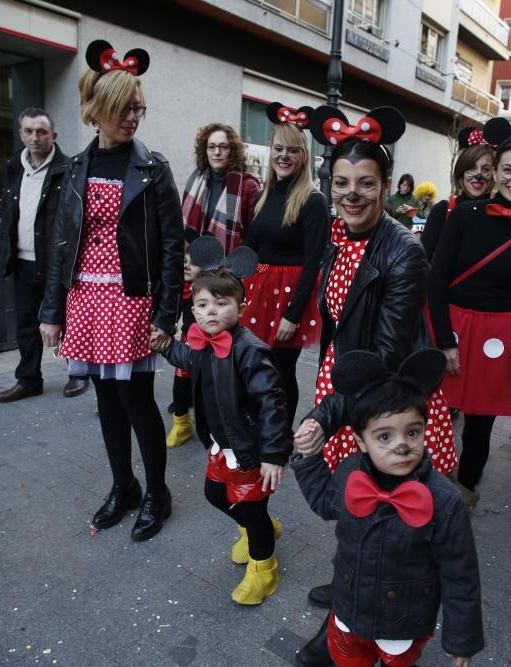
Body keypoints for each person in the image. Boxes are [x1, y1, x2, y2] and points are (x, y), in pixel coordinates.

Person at [292, 105, 457, 667]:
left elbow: (387, 355)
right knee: (356, 502)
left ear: (387, 186)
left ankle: (347, 620)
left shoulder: (403, 252)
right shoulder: (339, 236)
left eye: (366, 184)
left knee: (379, 509)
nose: (352, 194)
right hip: (345, 381)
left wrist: (327, 413)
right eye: (341, 183)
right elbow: (338, 324)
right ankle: (349, 588)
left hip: (380, 402)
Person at [38, 40, 183, 541]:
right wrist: (51, 310)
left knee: (137, 401)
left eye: (136, 108)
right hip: (86, 299)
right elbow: (63, 243)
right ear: (97, 110)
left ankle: (157, 492)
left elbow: (171, 247)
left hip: (132, 300)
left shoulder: (152, 167)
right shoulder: (75, 167)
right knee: (106, 401)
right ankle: (124, 486)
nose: (131, 118)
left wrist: (167, 316)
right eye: (123, 109)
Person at [293, 349, 484, 667]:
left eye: (413, 432)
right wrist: (309, 458)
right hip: (348, 608)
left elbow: (460, 575)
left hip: (403, 620)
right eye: (384, 436)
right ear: (361, 441)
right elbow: (326, 503)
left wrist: (461, 640)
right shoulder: (350, 472)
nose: (402, 445)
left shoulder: (444, 500)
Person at [428, 116, 511, 504]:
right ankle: (426, 487)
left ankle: (463, 494)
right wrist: (445, 340)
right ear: (496, 171)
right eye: (509, 169)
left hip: (498, 335)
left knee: (480, 425)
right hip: (451, 323)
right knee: (434, 412)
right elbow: (435, 280)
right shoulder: (465, 216)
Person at [158, 238, 289, 605]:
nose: (210, 311)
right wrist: (166, 345)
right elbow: (187, 356)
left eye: (221, 303)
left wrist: (273, 453)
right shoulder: (203, 341)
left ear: (240, 307)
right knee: (215, 493)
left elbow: (272, 403)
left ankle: (264, 568)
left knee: (251, 506)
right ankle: (259, 527)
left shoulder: (250, 351)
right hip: (222, 442)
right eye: (202, 304)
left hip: (248, 448)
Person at [242, 103, 328, 425]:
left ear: (303, 156)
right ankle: (257, 423)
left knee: (280, 370)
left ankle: (280, 434)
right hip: (257, 291)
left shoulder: (312, 200)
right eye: (279, 148)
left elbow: (313, 262)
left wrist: (292, 314)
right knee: (254, 365)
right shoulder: (265, 194)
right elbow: (252, 245)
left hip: (288, 296)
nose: (284, 156)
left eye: (292, 150)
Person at [0, 108, 88, 403]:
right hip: (22, 260)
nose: (35, 137)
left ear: (53, 136)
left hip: (56, 262)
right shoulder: (13, 166)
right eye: (29, 131)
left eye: (41, 132)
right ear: (21, 134)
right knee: (26, 324)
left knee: (69, 320)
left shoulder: (69, 168)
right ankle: (28, 379)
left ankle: (77, 374)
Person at [181, 122, 260, 253]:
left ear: (233, 151)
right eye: (211, 147)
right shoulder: (195, 181)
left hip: (229, 268)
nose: (217, 152)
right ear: (204, 150)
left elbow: (254, 237)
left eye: (223, 147)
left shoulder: (249, 186)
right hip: (192, 264)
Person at [420, 126, 495, 259]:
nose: (478, 176)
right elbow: (422, 261)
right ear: (461, 173)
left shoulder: (497, 214)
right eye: (471, 169)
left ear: (494, 174)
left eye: (485, 169)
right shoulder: (442, 211)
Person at [165, 229, 202, 448]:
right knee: (180, 383)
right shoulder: (182, 288)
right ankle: (182, 423)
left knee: (209, 386)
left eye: (192, 262)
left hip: (213, 346)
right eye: (184, 261)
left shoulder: (212, 287)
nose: (186, 265)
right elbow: (173, 313)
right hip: (189, 342)